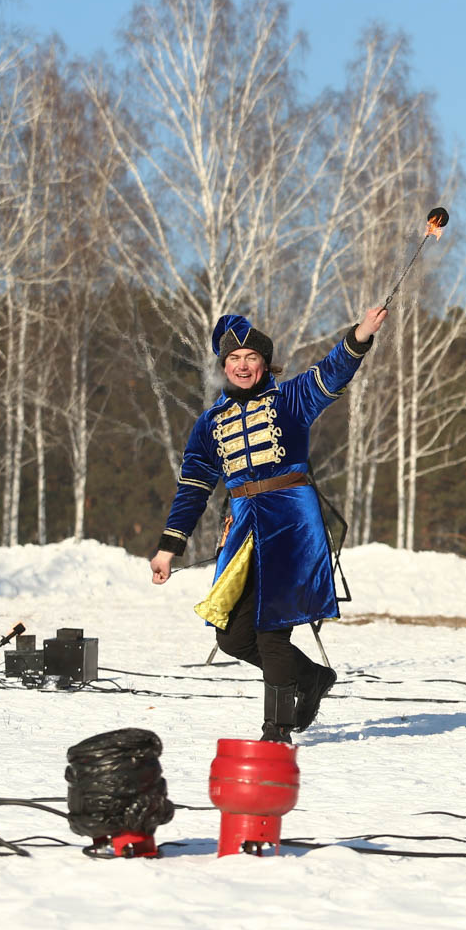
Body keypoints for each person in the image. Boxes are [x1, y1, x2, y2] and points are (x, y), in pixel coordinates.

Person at [150, 307, 387, 742]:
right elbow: (192, 487)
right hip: (244, 533)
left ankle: (275, 731)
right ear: (224, 367)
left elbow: (330, 374)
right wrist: (169, 547)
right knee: (234, 638)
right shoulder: (209, 424)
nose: (242, 365)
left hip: (291, 526)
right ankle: (312, 678)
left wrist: (361, 335)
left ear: (265, 362)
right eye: (234, 359)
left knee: (272, 630)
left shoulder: (290, 400)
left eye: (250, 357)